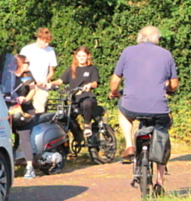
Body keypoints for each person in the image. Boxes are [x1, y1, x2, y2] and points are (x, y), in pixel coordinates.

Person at [109, 26, 179, 188]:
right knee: (161, 138)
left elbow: (115, 80)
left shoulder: (128, 52)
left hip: (131, 105)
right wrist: (166, 88)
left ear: (139, 37)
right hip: (158, 107)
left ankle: (129, 145)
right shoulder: (165, 54)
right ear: (157, 38)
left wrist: (114, 92)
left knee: (122, 110)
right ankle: (160, 182)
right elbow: (174, 85)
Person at [49, 46, 100, 137]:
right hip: (74, 99)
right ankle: (77, 136)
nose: (81, 58)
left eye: (83, 56)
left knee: (87, 103)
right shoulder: (71, 69)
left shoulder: (92, 69)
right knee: (65, 115)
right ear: (76, 56)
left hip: (87, 97)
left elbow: (95, 83)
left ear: (88, 56)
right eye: (79, 56)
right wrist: (50, 84)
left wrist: (89, 85)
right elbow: (60, 81)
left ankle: (87, 125)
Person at [11, 54, 38, 179]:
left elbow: (32, 89)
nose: (29, 64)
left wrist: (25, 99)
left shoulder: (28, 76)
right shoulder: (9, 77)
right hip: (9, 111)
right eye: (27, 62)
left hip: (24, 110)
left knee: (24, 138)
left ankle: (29, 167)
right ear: (20, 63)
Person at [20, 27, 58, 114]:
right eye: (45, 41)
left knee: (39, 109)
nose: (47, 44)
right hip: (27, 83)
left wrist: (45, 80)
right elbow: (21, 68)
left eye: (48, 42)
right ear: (39, 38)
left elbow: (51, 71)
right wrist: (32, 80)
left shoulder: (50, 51)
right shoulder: (27, 50)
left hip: (41, 85)